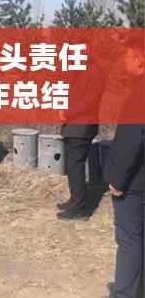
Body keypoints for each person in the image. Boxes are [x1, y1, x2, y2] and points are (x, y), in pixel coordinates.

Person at [106, 40, 144, 298]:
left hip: (134, 183)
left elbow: (131, 141)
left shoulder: (139, 93)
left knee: (129, 241)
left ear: (140, 60)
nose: (124, 62)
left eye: (128, 57)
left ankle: (124, 294)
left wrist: (118, 180)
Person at [57, 58, 106, 220]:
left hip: (82, 127)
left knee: (75, 166)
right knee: (72, 166)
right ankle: (75, 199)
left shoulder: (96, 72)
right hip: (73, 126)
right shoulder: (80, 69)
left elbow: (90, 101)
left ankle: (80, 208)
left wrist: (67, 112)